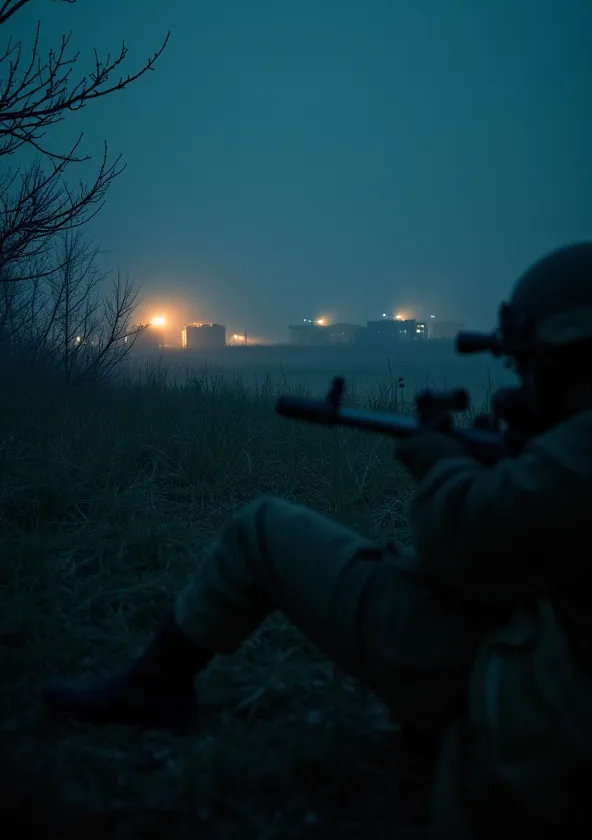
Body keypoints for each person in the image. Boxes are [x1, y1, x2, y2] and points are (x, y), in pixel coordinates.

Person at [43, 242, 592, 829]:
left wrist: (443, 466)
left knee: (263, 530)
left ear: (566, 359)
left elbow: (462, 549)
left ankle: (155, 686)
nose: (522, 385)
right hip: (548, 668)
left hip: (535, 727)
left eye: (530, 368)